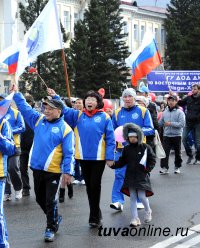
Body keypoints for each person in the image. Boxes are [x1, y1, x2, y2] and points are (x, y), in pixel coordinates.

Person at [10, 84, 74, 242]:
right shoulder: (39, 120)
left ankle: (50, 228)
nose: (46, 111)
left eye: (50, 108)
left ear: (58, 110)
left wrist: (68, 172)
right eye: (45, 108)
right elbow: (25, 108)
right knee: (39, 199)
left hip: (53, 171)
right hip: (37, 168)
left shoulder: (66, 129)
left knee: (50, 200)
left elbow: (69, 154)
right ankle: (55, 218)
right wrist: (17, 94)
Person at [48, 88, 115, 228]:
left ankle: (94, 216)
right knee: (89, 187)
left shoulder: (104, 117)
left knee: (95, 185)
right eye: (88, 99)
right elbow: (64, 109)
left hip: (98, 158)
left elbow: (110, 138)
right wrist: (55, 96)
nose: (89, 102)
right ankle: (96, 211)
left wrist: (109, 157)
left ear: (98, 103)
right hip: (82, 157)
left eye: (93, 100)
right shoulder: (78, 115)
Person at [110, 88, 155, 211]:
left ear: (134, 98)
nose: (127, 99)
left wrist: (135, 133)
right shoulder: (117, 112)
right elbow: (112, 130)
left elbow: (150, 129)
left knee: (139, 174)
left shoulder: (143, 111)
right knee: (119, 175)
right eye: (125, 97)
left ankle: (140, 200)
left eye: (130, 96)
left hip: (139, 149)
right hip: (121, 149)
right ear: (122, 99)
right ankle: (117, 201)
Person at [108, 123, 156, 226]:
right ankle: (135, 218)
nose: (132, 139)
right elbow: (122, 161)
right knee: (133, 197)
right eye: (130, 137)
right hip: (130, 176)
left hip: (142, 176)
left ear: (138, 136)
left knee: (142, 196)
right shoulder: (126, 149)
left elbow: (152, 159)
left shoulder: (145, 147)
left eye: (134, 137)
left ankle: (148, 211)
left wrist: (147, 169)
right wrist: (113, 165)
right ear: (127, 138)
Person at [0, 94, 25, 201]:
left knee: (12, 167)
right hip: (2, 147)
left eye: (2, 100)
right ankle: (7, 192)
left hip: (14, 146)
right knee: (3, 171)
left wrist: (8, 132)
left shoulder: (16, 112)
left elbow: (22, 127)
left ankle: (18, 188)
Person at [159, 95, 185, 174]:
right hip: (166, 135)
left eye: (172, 100)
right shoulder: (164, 112)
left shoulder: (180, 112)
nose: (170, 102)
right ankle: (164, 168)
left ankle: (177, 167)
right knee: (164, 152)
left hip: (177, 135)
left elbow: (182, 124)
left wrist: (170, 124)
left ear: (176, 101)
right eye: (169, 100)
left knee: (177, 152)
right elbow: (160, 123)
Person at [0, 115, 15, 248]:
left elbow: (10, 149)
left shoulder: (4, 123)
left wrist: (0, 137)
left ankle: (3, 244)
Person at [177, 84, 200, 164]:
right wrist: (174, 96)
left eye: (195, 89)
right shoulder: (189, 98)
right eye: (192, 89)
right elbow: (180, 103)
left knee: (198, 142)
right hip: (188, 123)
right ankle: (190, 155)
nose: (193, 90)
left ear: (199, 90)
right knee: (183, 139)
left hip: (198, 123)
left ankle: (198, 158)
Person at [20, 95, 35, 196]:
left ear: (32, 104)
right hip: (22, 147)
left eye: (29, 103)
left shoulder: (36, 115)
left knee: (36, 169)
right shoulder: (19, 114)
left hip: (34, 147)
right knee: (22, 168)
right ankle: (26, 188)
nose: (27, 105)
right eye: (25, 103)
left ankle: (40, 186)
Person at [72, 98, 85, 185]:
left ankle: (83, 177)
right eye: (76, 103)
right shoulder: (72, 114)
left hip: (84, 139)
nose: (77, 104)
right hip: (73, 138)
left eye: (79, 103)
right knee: (75, 159)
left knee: (83, 160)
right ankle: (77, 177)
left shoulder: (85, 114)